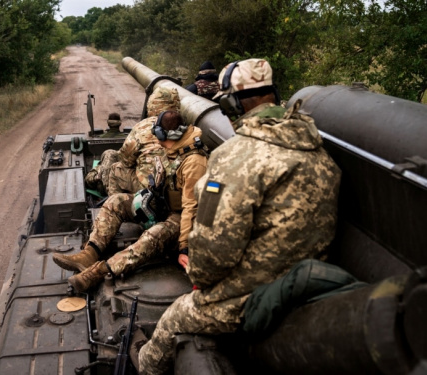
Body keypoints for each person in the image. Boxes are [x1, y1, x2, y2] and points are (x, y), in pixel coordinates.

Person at [137, 58, 342, 375]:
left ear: (232, 103)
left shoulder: (234, 157)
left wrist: (200, 279)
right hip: (305, 283)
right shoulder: (317, 148)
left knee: (175, 317)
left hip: (256, 296)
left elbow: (212, 251)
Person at [52, 110, 208, 291]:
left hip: (181, 216)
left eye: (157, 134)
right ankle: (89, 254)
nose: (156, 139)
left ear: (166, 134)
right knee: (115, 201)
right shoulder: (174, 149)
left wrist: (184, 247)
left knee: (153, 236)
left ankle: (99, 272)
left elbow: (191, 208)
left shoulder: (194, 162)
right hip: (164, 203)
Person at [84, 87, 181, 196]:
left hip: (149, 186)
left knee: (114, 166)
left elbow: (125, 160)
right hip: (174, 187)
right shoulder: (185, 127)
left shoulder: (143, 126)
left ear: (152, 105)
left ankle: (114, 202)